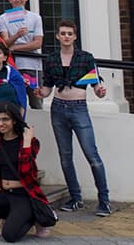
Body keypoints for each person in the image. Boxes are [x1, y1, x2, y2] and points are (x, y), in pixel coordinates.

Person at [36, 20, 110, 216]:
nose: (66, 36)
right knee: (65, 156)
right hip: (58, 108)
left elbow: (95, 83)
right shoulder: (51, 58)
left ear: (75, 36)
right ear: (58, 36)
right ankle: (76, 198)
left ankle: (104, 200)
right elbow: (47, 87)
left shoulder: (86, 58)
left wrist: (100, 91)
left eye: (70, 33)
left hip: (79, 108)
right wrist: (39, 93)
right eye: (63, 33)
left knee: (91, 155)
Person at [0, 102, 52, 242]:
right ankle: (11, 217)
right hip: (5, 194)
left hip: (24, 195)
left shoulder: (30, 142)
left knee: (9, 236)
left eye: (5, 119)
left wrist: (27, 144)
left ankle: (32, 217)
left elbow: (26, 171)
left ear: (14, 120)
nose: (0, 123)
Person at [0, 0, 44, 109]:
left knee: (36, 101)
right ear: (9, 0)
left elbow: (38, 43)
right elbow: (5, 44)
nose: (18, 0)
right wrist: (17, 35)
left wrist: (15, 48)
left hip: (33, 65)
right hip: (13, 65)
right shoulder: (3, 18)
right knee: (14, 102)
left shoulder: (35, 17)